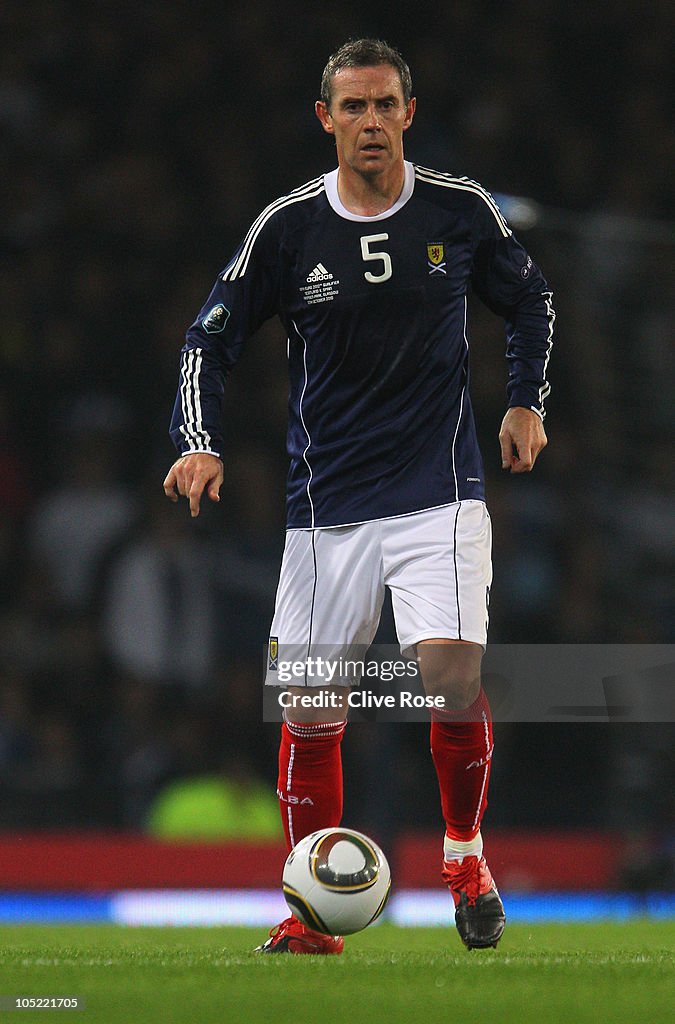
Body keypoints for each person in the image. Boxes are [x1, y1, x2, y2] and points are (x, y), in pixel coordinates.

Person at [163, 38, 554, 954]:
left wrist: (527, 401)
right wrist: (198, 442)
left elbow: (530, 299)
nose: (370, 122)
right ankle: (312, 918)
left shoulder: (458, 211)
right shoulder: (289, 227)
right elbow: (205, 339)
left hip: (437, 491)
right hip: (324, 504)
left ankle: (464, 856)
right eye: (353, 108)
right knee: (310, 706)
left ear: (407, 114)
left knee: (450, 674)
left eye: (384, 105)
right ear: (326, 119)